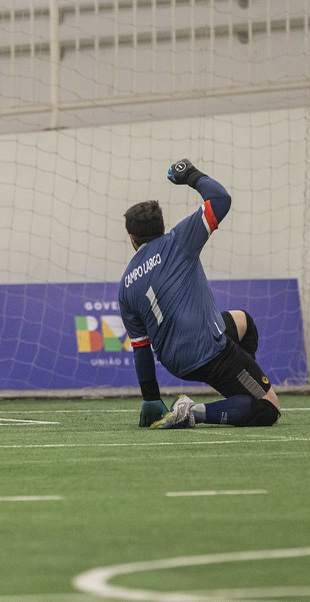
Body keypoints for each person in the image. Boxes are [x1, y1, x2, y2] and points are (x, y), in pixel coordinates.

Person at [118, 159, 281, 429]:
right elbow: (221, 198)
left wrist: (150, 398)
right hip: (208, 350)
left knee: (243, 322)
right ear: (162, 227)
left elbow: (141, 350)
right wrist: (190, 175)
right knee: (268, 407)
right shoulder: (179, 239)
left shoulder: (125, 284)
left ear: (132, 238)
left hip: (175, 360)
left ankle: (238, 386)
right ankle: (195, 411)